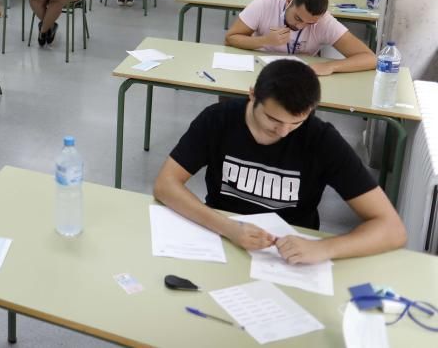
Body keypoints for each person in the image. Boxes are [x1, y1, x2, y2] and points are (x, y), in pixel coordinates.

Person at [154, 60, 406, 263]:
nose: (284, 132)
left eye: (296, 123)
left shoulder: (320, 139)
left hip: (287, 256)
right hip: (220, 240)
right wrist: (228, 227)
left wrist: (325, 248)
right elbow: (166, 185)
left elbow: (392, 229)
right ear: (252, 96)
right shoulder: (218, 120)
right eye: (274, 120)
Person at [225, 0, 376, 75]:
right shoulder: (264, 4)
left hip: (300, 74)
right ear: (289, 1)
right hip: (261, 68)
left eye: (310, 23)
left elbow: (370, 58)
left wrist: (331, 66)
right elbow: (230, 38)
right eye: (297, 18)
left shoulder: (325, 22)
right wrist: (264, 40)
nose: (300, 25)